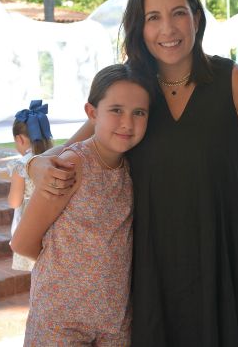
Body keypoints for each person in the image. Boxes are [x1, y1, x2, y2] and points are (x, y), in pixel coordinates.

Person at [27, 0, 238, 346]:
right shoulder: (132, 90)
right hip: (151, 263)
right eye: (153, 17)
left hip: (225, 257)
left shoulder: (232, 81)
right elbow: (72, 150)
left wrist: (225, 207)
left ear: (196, 18)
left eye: (178, 13)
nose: (167, 29)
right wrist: (34, 163)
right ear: (139, 27)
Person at [11, 64, 152, 346]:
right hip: (60, 322)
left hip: (114, 321)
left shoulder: (130, 170)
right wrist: (69, 268)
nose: (128, 123)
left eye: (139, 113)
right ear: (91, 113)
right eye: (116, 110)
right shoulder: (73, 164)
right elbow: (23, 242)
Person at [6, 100, 54, 271]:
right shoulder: (54, 158)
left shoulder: (22, 165)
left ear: (19, 139)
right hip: (52, 222)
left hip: (30, 223)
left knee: (35, 269)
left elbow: (14, 202)